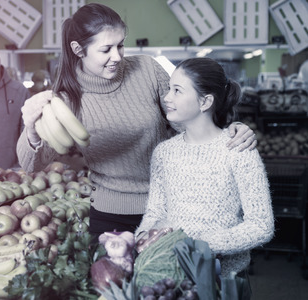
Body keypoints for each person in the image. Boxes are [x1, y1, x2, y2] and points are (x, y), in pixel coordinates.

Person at [16, 3, 256, 240]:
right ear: (78, 50)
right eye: (106, 49)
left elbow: (188, 122)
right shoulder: (66, 101)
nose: (117, 56)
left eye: (120, 45)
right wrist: (31, 130)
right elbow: (32, 165)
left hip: (169, 204)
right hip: (110, 215)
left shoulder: (147, 69)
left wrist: (225, 131)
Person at [134, 57, 274, 280]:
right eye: (169, 89)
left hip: (224, 280)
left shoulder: (238, 149)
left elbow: (261, 225)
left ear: (205, 102)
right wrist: (143, 236)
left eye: (177, 91)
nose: (167, 98)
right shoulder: (164, 152)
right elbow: (155, 212)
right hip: (171, 274)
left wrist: (197, 245)